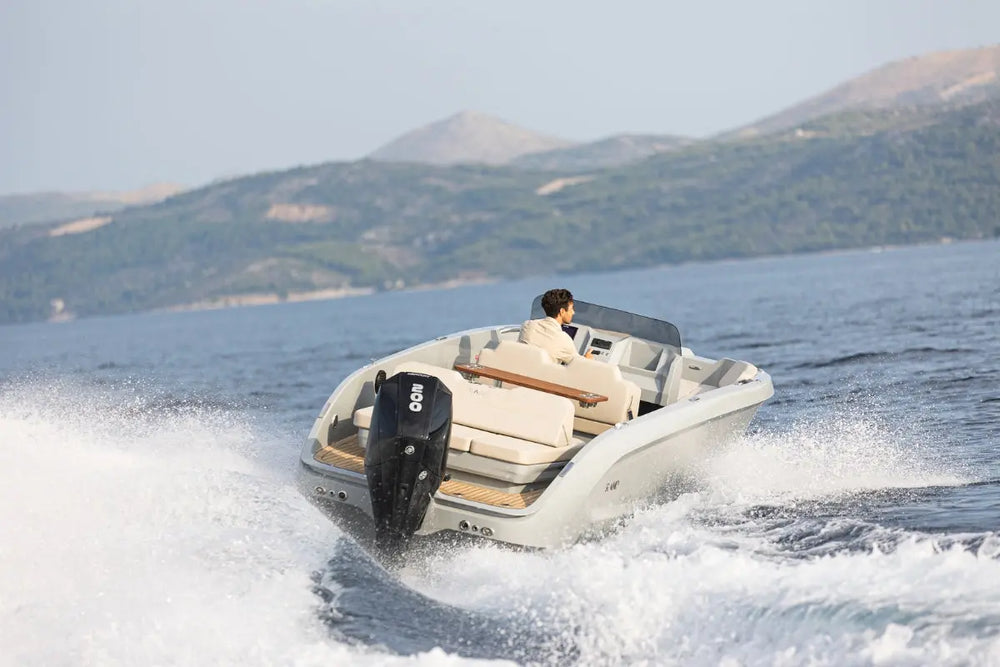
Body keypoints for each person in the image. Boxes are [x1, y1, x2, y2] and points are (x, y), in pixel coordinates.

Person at [519, 288, 593, 364]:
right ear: (562, 311)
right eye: (571, 309)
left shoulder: (527, 325)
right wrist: (587, 359)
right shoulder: (563, 339)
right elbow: (580, 365)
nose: (573, 312)